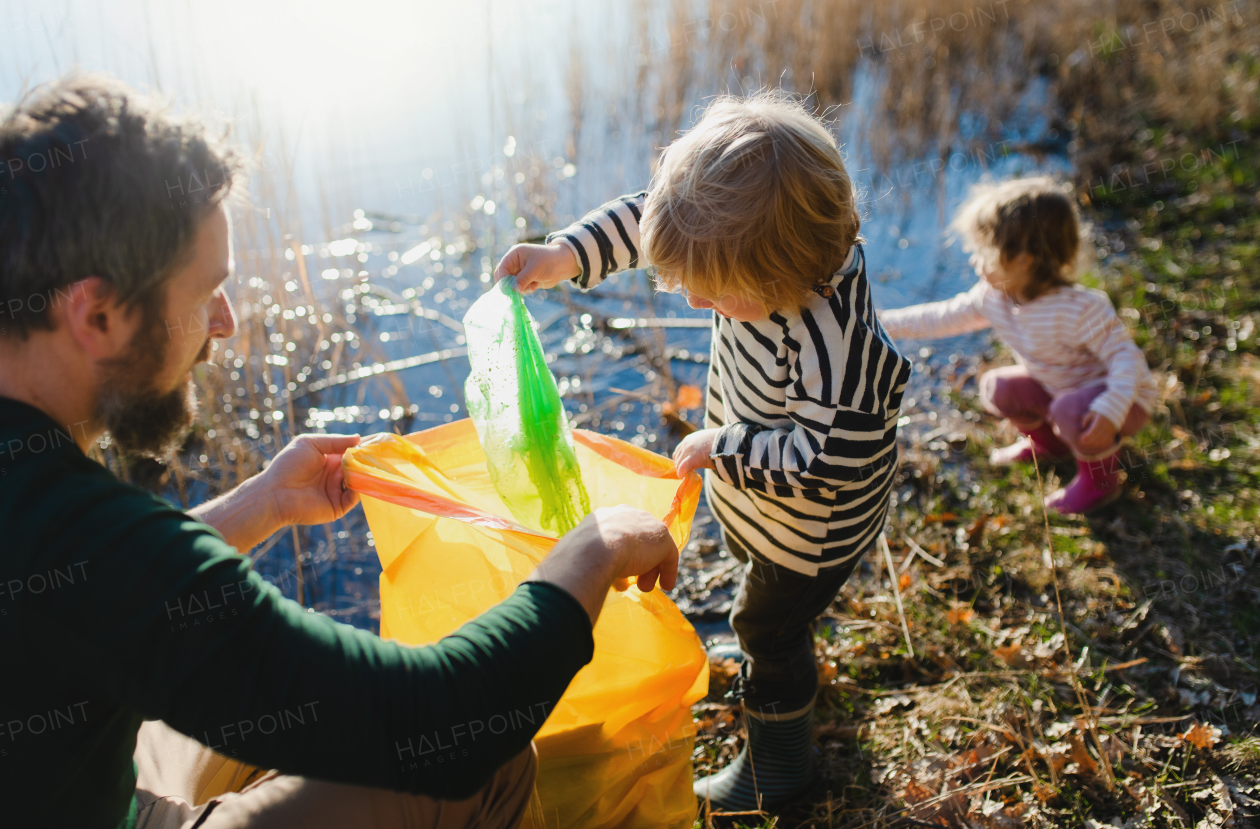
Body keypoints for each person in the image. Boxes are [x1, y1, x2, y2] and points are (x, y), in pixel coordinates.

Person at [0, 74, 681, 829]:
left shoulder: (42, 510)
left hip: (76, 783)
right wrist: (593, 548)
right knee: (484, 761)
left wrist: (260, 504)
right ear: (100, 312)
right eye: (206, 292)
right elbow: (442, 720)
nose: (225, 323)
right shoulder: (76, 529)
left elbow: (93, 597)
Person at [495, 92, 911, 811]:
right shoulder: (758, 247)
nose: (694, 303)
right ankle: (782, 662)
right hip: (762, 504)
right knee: (757, 582)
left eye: (716, 295)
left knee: (766, 624)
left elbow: (824, 461)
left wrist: (726, 444)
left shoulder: (833, 346)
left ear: (783, 277)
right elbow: (649, 221)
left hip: (812, 530)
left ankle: (779, 768)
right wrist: (564, 253)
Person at [877, 177, 1157, 514]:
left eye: (982, 252)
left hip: (1122, 401)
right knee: (999, 388)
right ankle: (1050, 446)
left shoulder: (1082, 308)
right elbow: (941, 317)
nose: (973, 261)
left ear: (1023, 259)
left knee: (1068, 409)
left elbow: (1127, 359)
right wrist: (881, 321)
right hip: (1059, 393)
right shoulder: (993, 297)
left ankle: (1100, 483)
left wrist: (1110, 409)